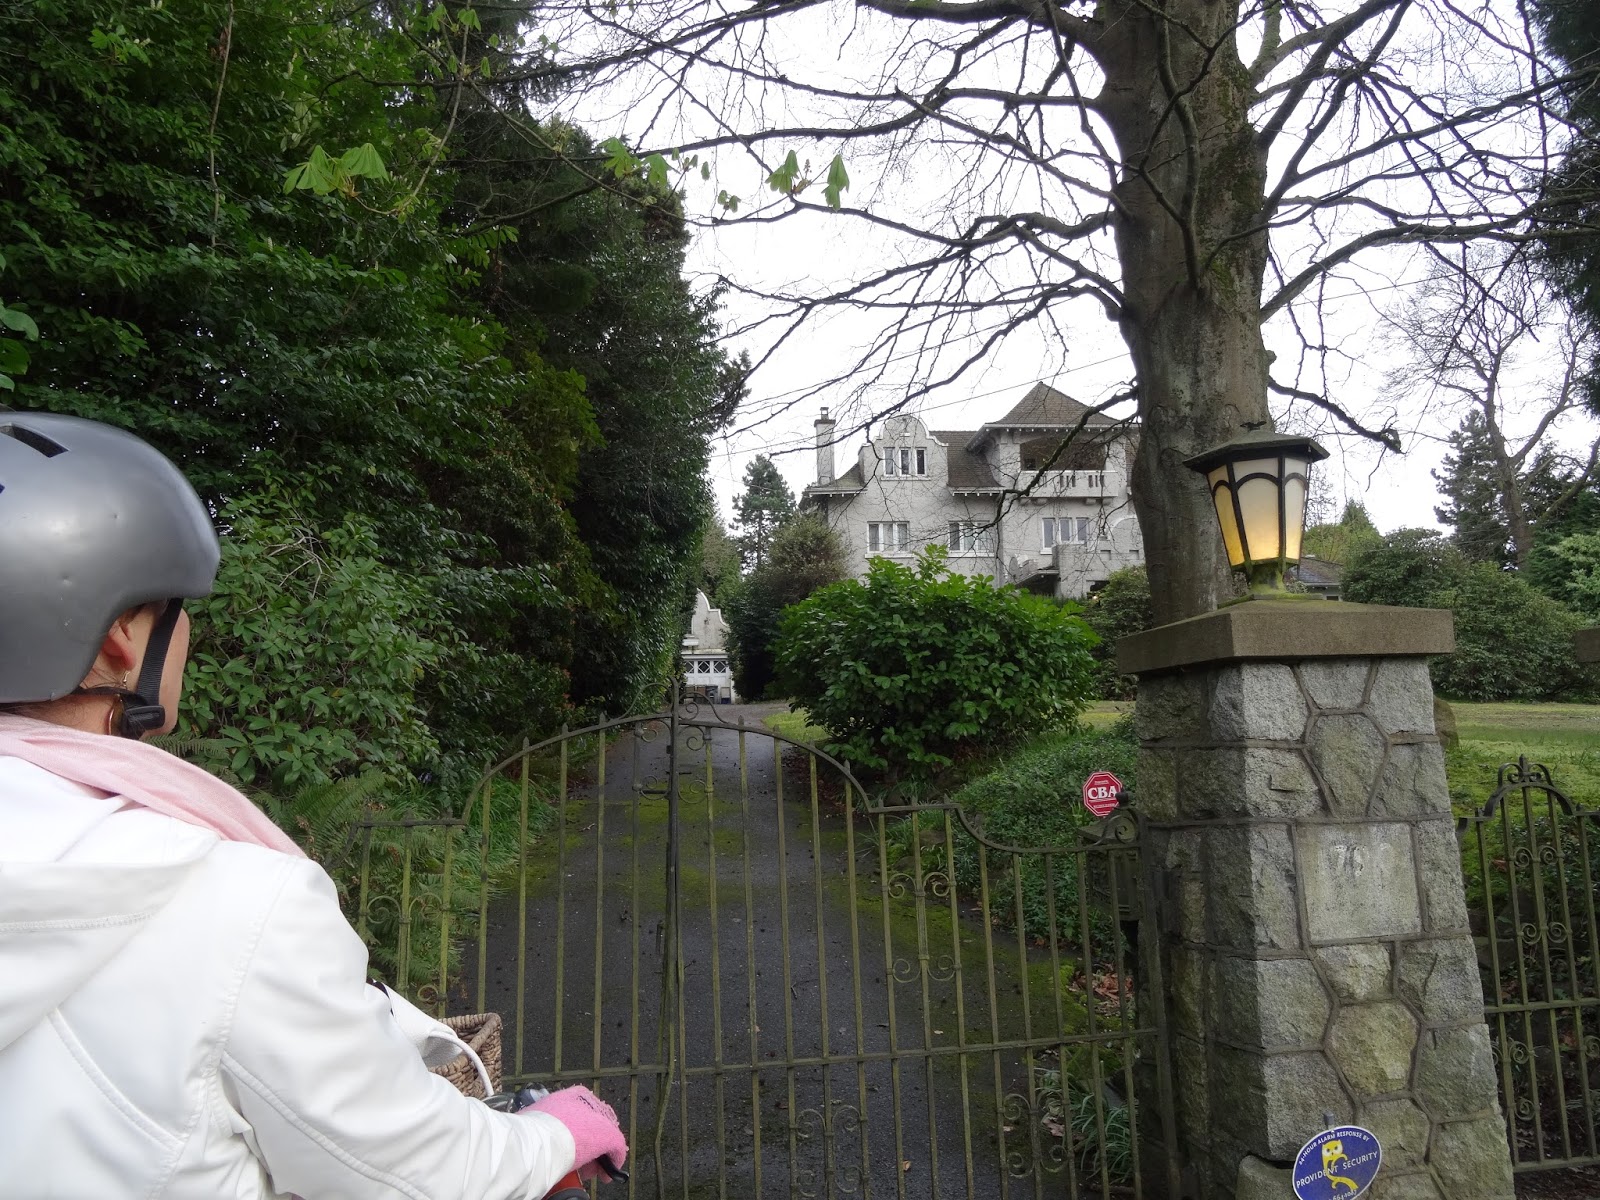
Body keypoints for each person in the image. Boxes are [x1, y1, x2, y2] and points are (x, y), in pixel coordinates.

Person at [0, 413, 628, 1198]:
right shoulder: (230, 906)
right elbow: (420, 1175)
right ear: (118, 640)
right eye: (175, 608)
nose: (187, 630)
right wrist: (558, 1133)